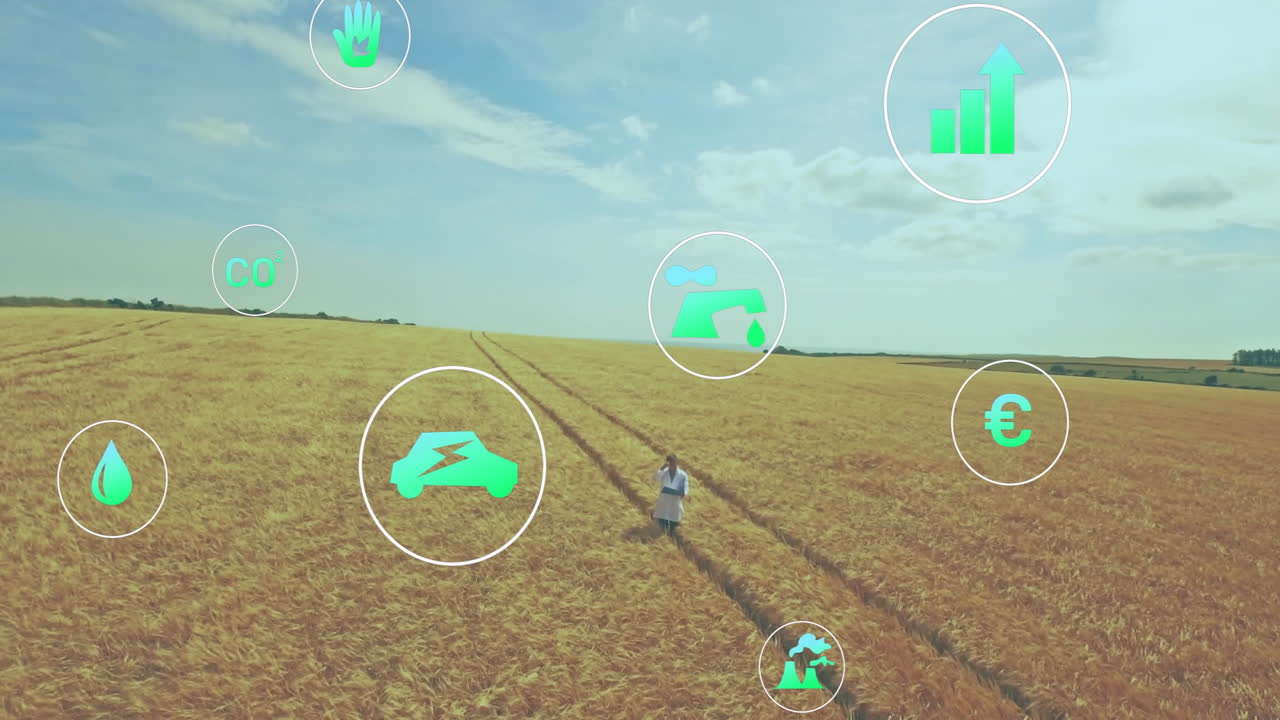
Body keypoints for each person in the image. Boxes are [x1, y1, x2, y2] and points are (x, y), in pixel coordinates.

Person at [653, 453, 689, 536]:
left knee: (674, 523)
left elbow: (685, 487)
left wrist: (683, 493)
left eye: (675, 462)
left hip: (675, 501)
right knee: (662, 523)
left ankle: (671, 536)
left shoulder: (682, 474)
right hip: (664, 501)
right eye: (671, 463)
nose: (674, 465)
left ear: (677, 462)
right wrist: (662, 468)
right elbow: (655, 478)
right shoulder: (663, 472)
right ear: (668, 464)